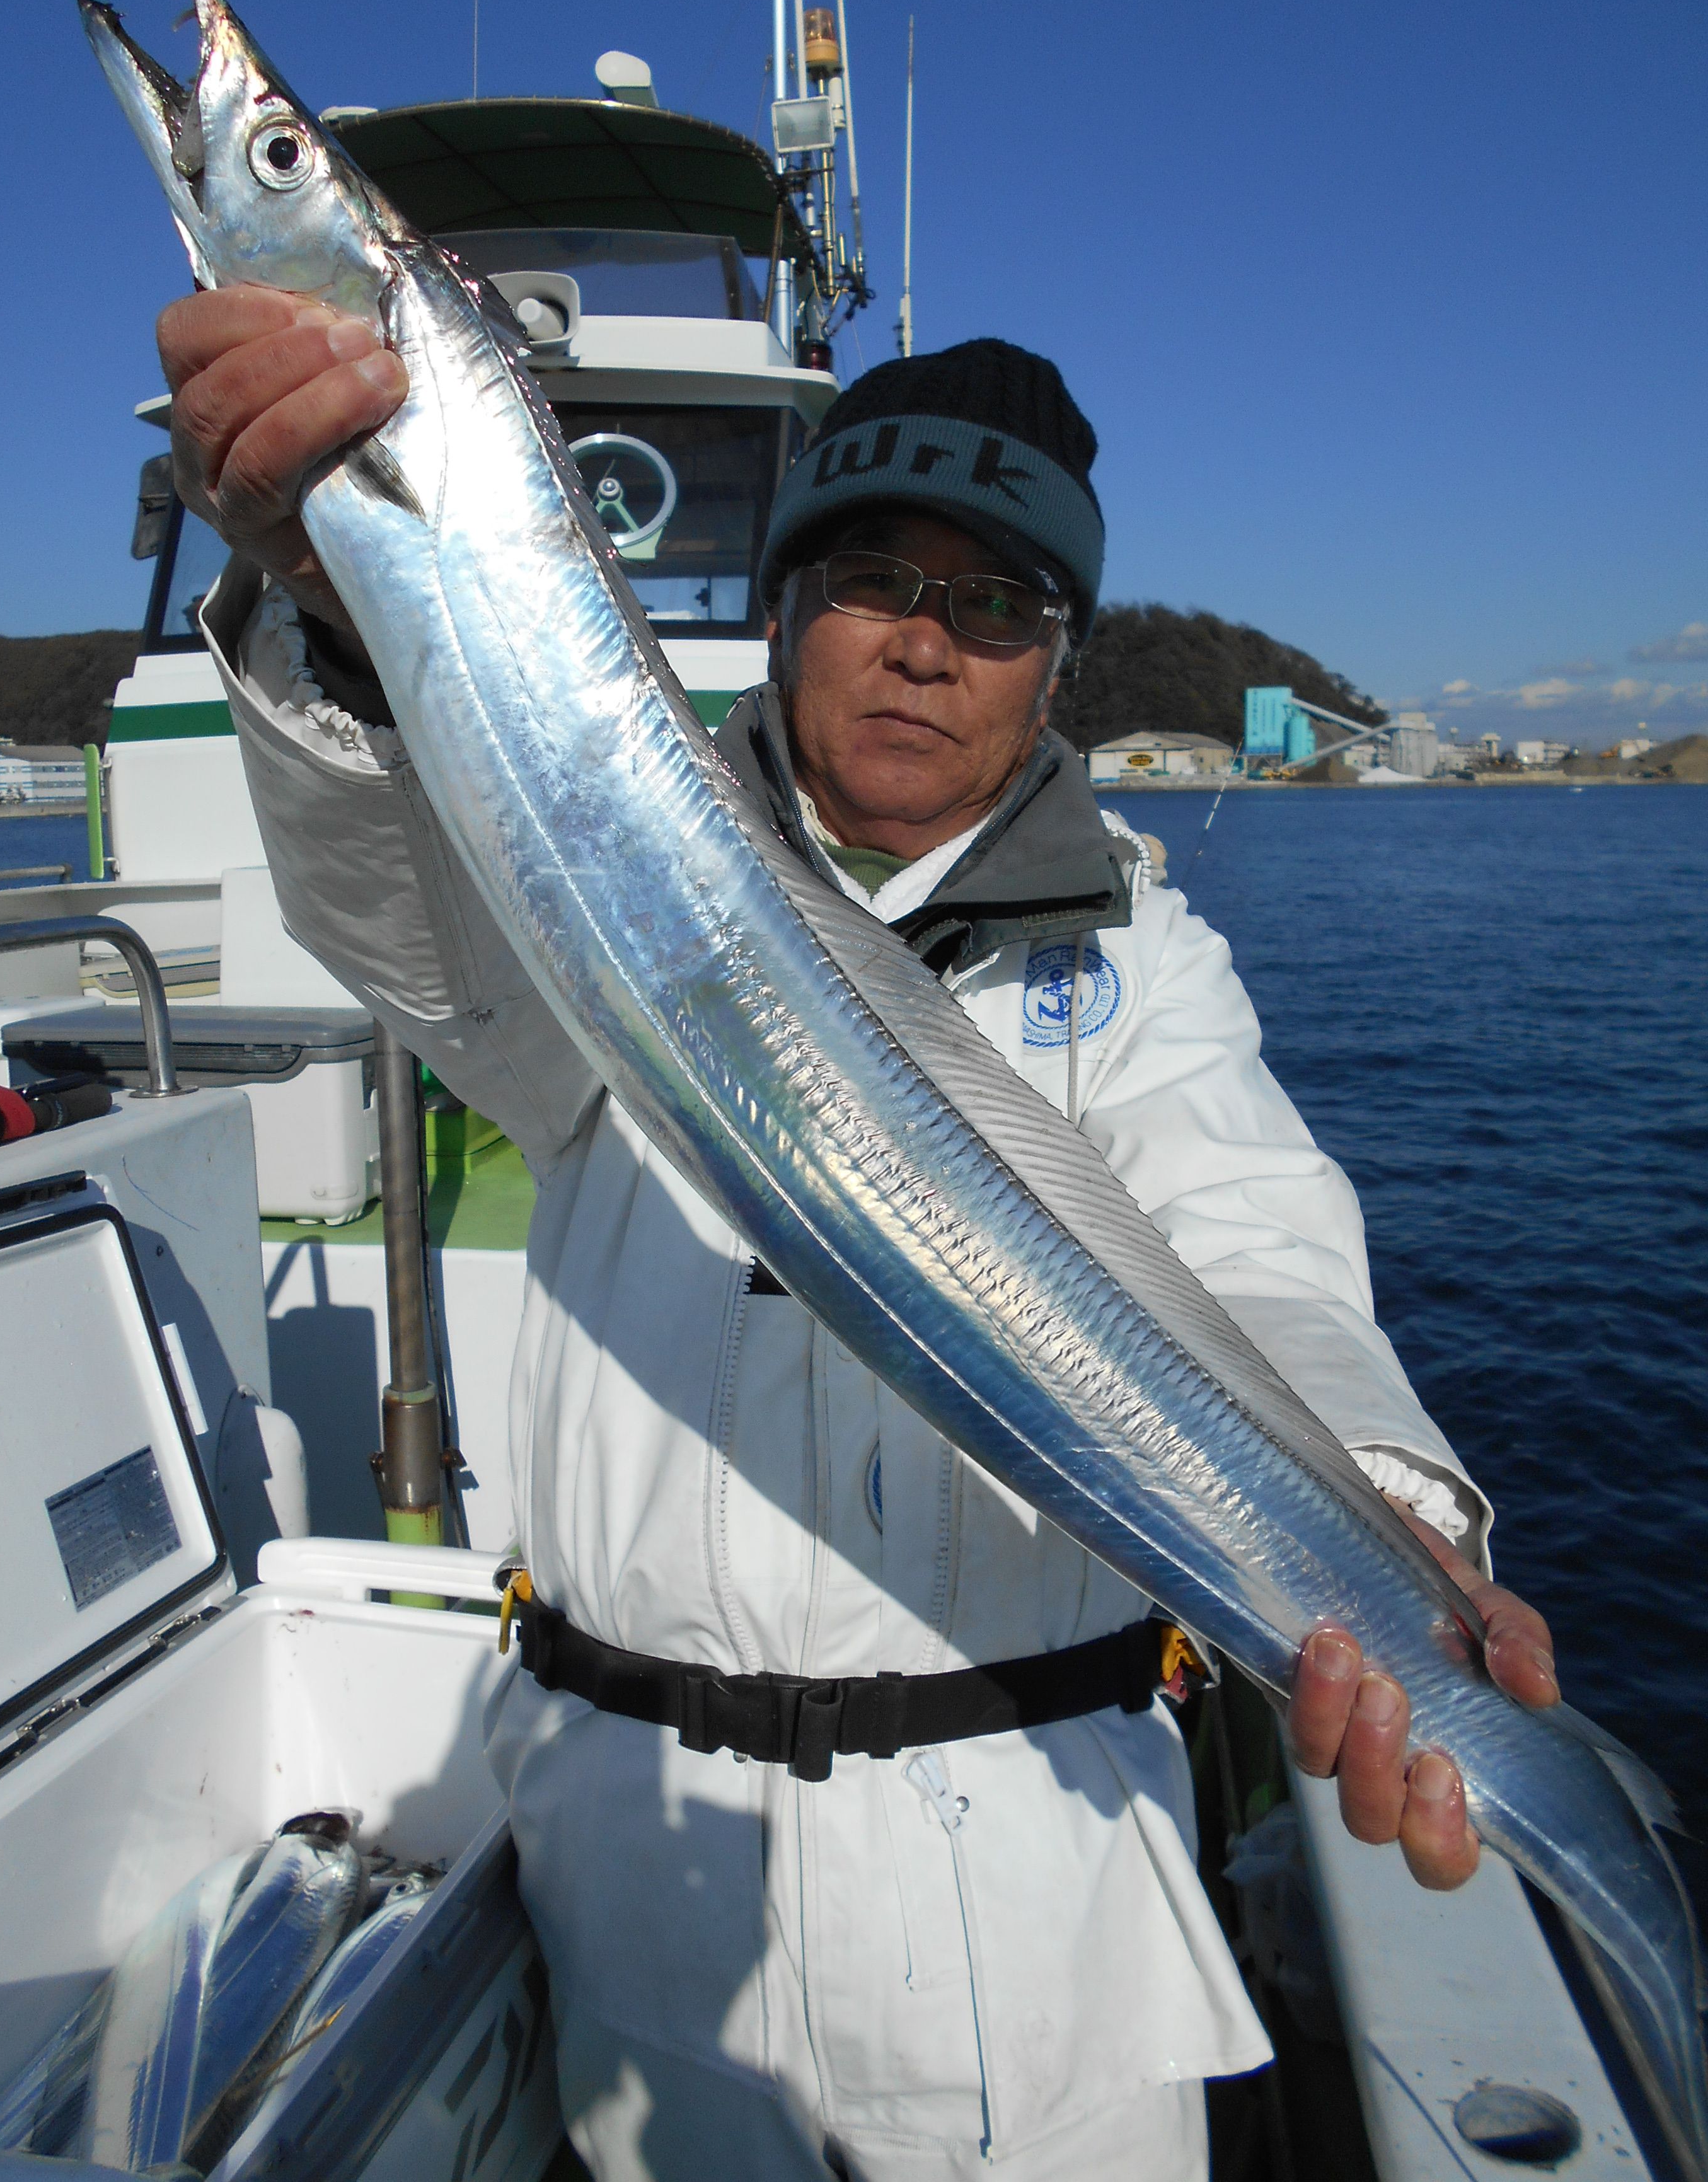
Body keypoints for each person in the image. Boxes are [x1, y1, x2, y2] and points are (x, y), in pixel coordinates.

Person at [160, 294, 1560, 2182]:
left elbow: (1265, 1261)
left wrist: (1393, 1523)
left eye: (996, 603)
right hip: (646, 1906)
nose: (924, 639)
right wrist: (337, 612)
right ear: (789, 603)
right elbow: (409, 925)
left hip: (1045, 1917)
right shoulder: (609, 883)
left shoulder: (1142, 968)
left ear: (1054, 667)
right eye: (873, 575)